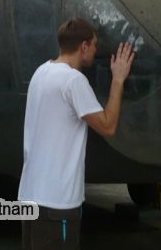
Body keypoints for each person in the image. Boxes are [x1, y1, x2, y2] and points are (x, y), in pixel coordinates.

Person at [18, 18, 135, 249]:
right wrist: (118, 80)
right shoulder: (73, 81)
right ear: (83, 46)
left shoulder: (41, 72)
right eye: (93, 44)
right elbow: (108, 126)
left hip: (30, 196)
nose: (96, 50)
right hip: (57, 204)